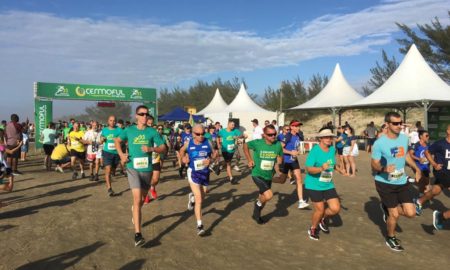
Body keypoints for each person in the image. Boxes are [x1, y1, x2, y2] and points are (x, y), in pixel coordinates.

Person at [115, 105, 166, 247]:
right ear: (136, 116)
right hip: (132, 168)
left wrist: (151, 148)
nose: (144, 116)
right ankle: (138, 235)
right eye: (141, 114)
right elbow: (117, 141)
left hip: (147, 169)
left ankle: (135, 209)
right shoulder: (129, 130)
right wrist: (121, 155)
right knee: (137, 199)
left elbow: (163, 148)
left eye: (146, 114)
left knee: (143, 199)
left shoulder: (152, 132)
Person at [371, 111, 421, 252]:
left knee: (411, 213)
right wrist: (383, 168)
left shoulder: (404, 139)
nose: (399, 126)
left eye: (400, 123)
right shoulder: (379, 143)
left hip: (401, 180)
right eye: (395, 123)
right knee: (394, 214)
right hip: (384, 182)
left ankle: (386, 207)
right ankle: (390, 237)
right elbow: (374, 164)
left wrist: (416, 168)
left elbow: (405, 155)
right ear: (387, 124)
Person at [180, 124, 217, 235]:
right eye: (198, 134)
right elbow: (181, 150)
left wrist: (211, 160)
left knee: (203, 194)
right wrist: (183, 158)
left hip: (205, 173)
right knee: (199, 199)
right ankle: (200, 225)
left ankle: (191, 198)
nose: (201, 136)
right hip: (193, 173)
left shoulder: (208, 142)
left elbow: (216, 154)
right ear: (193, 134)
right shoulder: (189, 143)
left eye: (202, 134)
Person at [305, 128, 340, 240]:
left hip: (328, 183)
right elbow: (309, 169)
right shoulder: (315, 151)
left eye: (330, 137)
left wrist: (338, 169)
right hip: (313, 185)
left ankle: (323, 219)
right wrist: (320, 168)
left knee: (335, 209)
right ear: (320, 138)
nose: (329, 139)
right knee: (319, 209)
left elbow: (331, 164)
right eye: (326, 137)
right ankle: (313, 228)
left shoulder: (332, 150)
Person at [243, 124, 283, 225]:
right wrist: (249, 160)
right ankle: (257, 204)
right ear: (264, 135)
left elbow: (280, 159)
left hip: (269, 175)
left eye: (274, 134)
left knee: (263, 198)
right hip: (257, 174)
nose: (273, 136)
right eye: (270, 135)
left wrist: (279, 167)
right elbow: (245, 146)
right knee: (269, 195)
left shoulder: (278, 145)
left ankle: (256, 215)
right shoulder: (257, 143)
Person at [415, 124, 450, 223]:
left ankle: (419, 201)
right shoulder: (440, 143)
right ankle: (442, 217)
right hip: (441, 172)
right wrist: (434, 164)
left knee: (436, 190)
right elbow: (427, 152)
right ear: (448, 131)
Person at [280, 120, 309, 209]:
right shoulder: (288, 135)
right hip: (286, 161)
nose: (298, 128)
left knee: (299, 179)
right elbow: (280, 148)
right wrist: (290, 152)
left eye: (298, 126)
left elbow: (297, 146)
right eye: (295, 126)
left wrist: (298, 151)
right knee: (281, 180)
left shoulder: (298, 135)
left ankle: (301, 201)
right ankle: (268, 179)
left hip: (294, 161)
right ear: (291, 127)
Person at [100, 116, 122, 196]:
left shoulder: (119, 130)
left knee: (113, 170)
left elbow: (123, 140)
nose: (112, 122)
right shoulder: (104, 130)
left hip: (116, 153)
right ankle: (109, 188)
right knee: (108, 169)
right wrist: (102, 139)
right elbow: (101, 138)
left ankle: (113, 171)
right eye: (111, 120)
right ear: (108, 121)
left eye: (114, 121)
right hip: (107, 152)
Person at [217, 120, 243, 184]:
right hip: (225, 150)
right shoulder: (222, 131)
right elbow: (218, 136)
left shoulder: (235, 130)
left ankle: (220, 168)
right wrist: (218, 144)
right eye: (232, 125)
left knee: (227, 162)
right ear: (228, 124)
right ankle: (231, 178)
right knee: (228, 163)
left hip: (232, 150)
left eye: (234, 125)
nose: (233, 126)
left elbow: (241, 135)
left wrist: (237, 137)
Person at [408, 130, 430, 201]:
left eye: (428, 135)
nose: (428, 137)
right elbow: (411, 155)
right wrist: (419, 159)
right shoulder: (416, 145)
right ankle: (420, 197)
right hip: (418, 166)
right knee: (421, 180)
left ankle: (412, 181)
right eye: (426, 136)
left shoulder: (428, 145)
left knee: (426, 182)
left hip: (426, 167)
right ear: (421, 136)